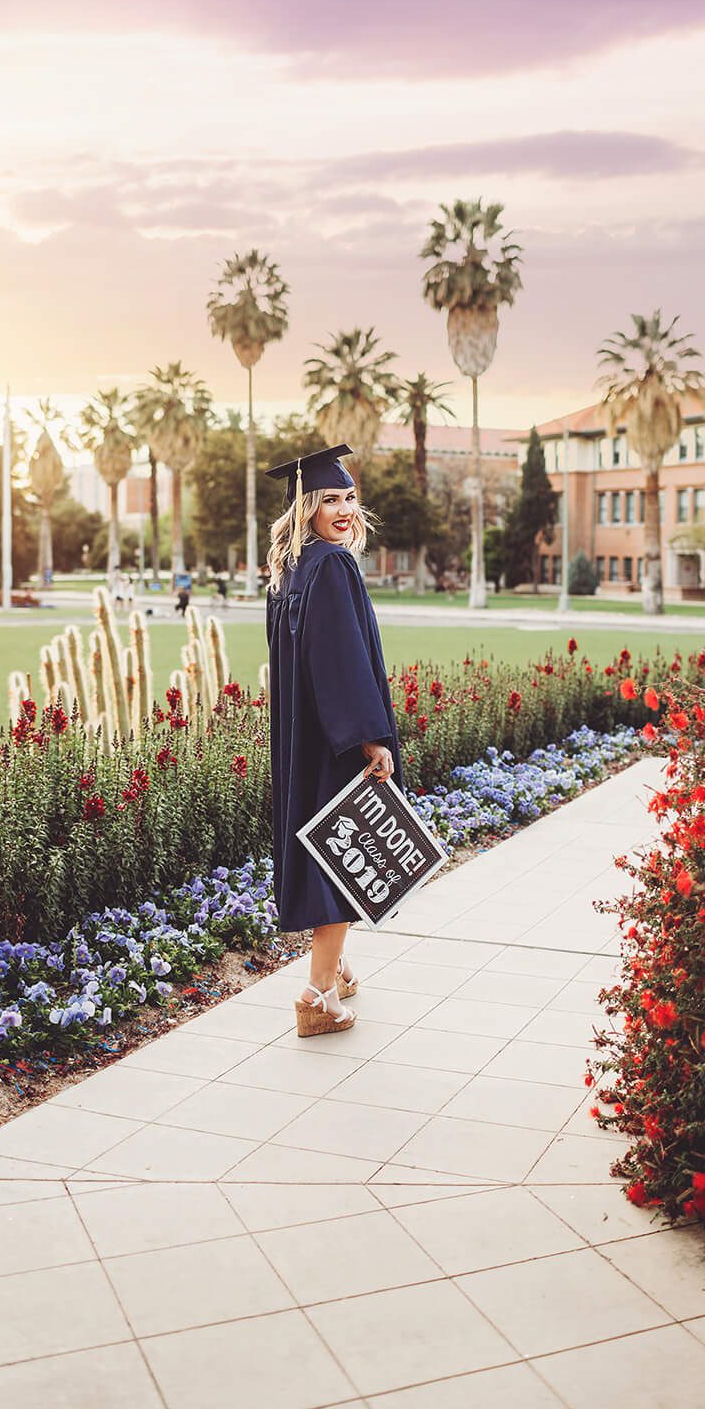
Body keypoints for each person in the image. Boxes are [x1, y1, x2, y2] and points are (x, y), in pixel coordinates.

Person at [263, 445, 400, 1038]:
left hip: (302, 735)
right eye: (330, 501)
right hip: (337, 740)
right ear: (307, 506)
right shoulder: (334, 567)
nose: (344, 511)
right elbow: (341, 659)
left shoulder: (290, 568)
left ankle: (337, 968)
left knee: (322, 848)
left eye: (350, 499)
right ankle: (316, 997)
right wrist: (368, 737)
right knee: (343, 859)